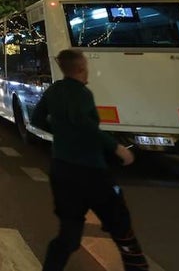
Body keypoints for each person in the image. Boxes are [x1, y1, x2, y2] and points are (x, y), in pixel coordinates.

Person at [30, 49, 148, 271]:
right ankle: (137, 266)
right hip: (91, 170)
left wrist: (60, 132)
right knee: (120, 224)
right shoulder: (82, 94)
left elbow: (37, 119)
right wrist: (116, 148)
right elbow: (85, 126)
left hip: (61, 169)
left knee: (69, 233)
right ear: (81, 68)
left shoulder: (54, 90)